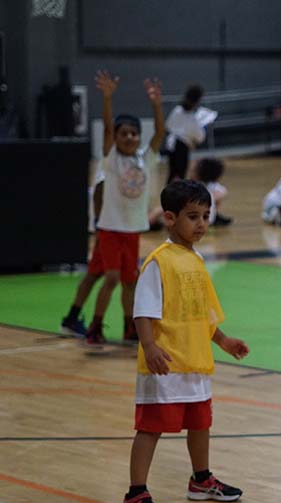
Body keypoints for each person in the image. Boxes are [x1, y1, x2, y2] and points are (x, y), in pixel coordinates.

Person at [123, 180, 249, 503]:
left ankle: (201, 479)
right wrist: (149, 346)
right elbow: (143, 312)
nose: (202, 224)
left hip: (195, 362)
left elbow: (201, 313)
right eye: (193, 216)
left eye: (206, 216)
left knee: (200, 424)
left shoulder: (195, 259)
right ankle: (135, 495)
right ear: (169, 218)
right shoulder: (158, 262)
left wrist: (223, 340)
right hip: (165, 363)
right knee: (151, 428)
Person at [61, 70, 165, 348]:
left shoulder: (145, 160)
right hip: (110, 228)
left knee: (129, 282)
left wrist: (156, 105)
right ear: (116, 138)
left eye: (134, 133)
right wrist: (107, 99)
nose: (129, 137)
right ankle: (95, 326)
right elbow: (107, 130)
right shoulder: (112, 160)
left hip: (132, 230)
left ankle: (128, 327)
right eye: (123, 133)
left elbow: (160, 133)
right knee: (111, 278)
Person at [60, 177, 106, 337]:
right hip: (111, 229)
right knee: (115, 278)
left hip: (122, 227)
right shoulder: (111, 168)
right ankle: (96, 327)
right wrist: (99, 224)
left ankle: (72, 319)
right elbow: (100, 189)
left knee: (95, 274)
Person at [163, 85, 216, 182]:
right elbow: (200, 137)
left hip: (171, 145)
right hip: (181, 147)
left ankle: (171, 190)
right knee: (179, 174)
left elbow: (168, 126)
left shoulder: (177, 110)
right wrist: (203, 127)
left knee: (173, 173)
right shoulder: (191, 117)